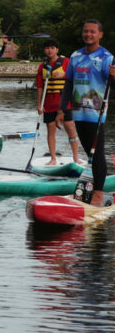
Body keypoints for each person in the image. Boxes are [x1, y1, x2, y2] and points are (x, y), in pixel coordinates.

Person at [56, 20, 115, 206]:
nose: (88, 34)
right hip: (77, 112)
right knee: (89, 152)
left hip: (96, 112)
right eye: (86, 31)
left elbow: (112, 85)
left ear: (100, 35)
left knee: (96, 152)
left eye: (92, 32)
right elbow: (68, 85)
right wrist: (61, 109)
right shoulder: (75, 56)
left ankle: (98, 192)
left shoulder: (107, 57)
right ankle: (90, 189)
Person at [35, 38, 80, 165]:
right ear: (44, 50)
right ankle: (53, 158)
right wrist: (39, 105)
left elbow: (76, 77)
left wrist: (64, 75)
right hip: (49, 104)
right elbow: (40, 87)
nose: (49, 50)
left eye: (52, 48)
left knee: (70, 129)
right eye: (47, 48)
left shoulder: (66, 62)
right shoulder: (42, 66)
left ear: (57, 50)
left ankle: (76, 158)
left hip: (65, 103)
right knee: (51, 131)